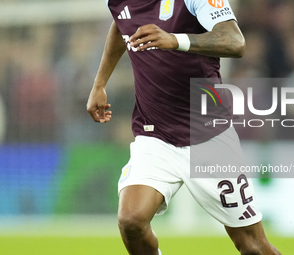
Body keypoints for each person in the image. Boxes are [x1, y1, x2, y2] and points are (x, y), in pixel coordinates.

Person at [87, 1, 281, 254]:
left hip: (208, 136)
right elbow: (122, 23)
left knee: (253, 246)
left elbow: (236, 42)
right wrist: (99, 83)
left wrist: (176, 40)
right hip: (154, 135)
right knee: (131, 221)